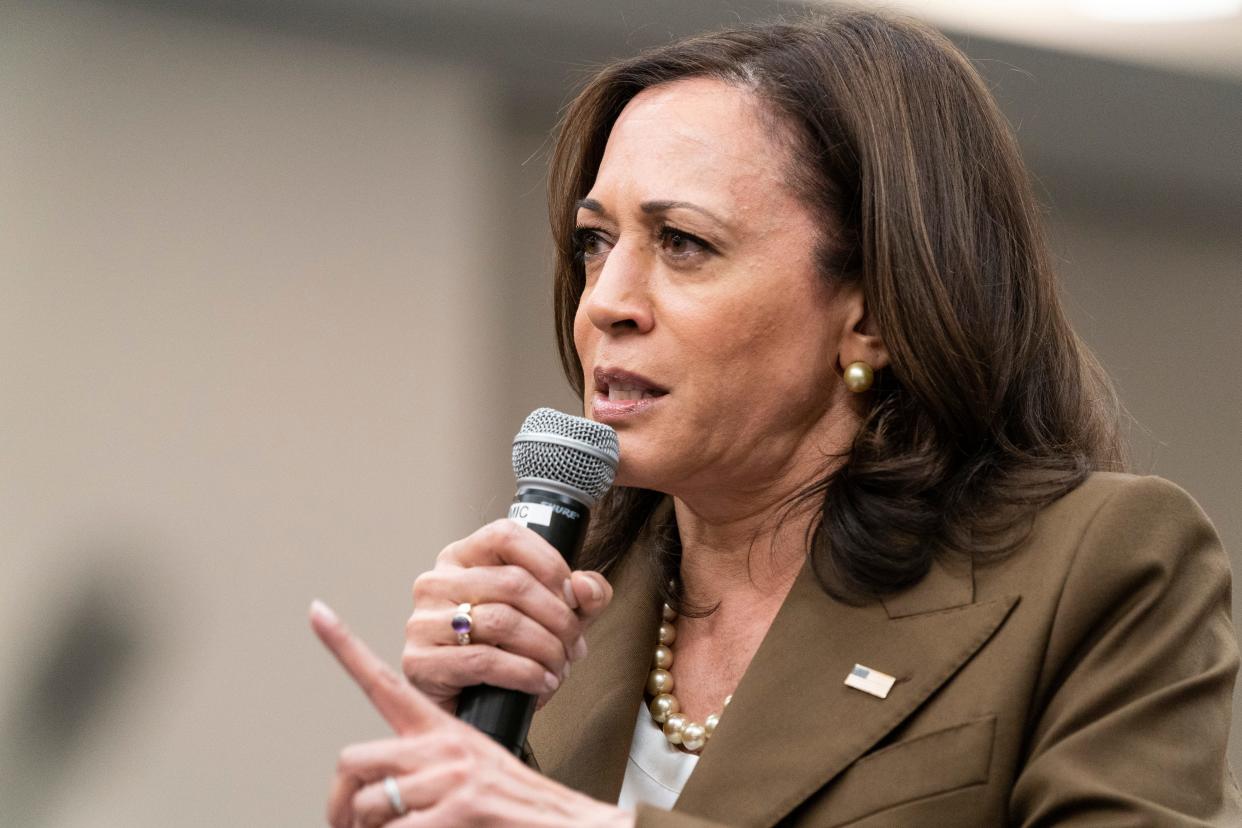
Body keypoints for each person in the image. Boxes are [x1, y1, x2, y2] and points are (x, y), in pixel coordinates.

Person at [310, 10, 1241, 826]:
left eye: (683, 244)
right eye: (597, 242)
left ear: (872, 309)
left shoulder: (1100, 564)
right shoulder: (558, 613)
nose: (606, 303)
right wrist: (456, 746)